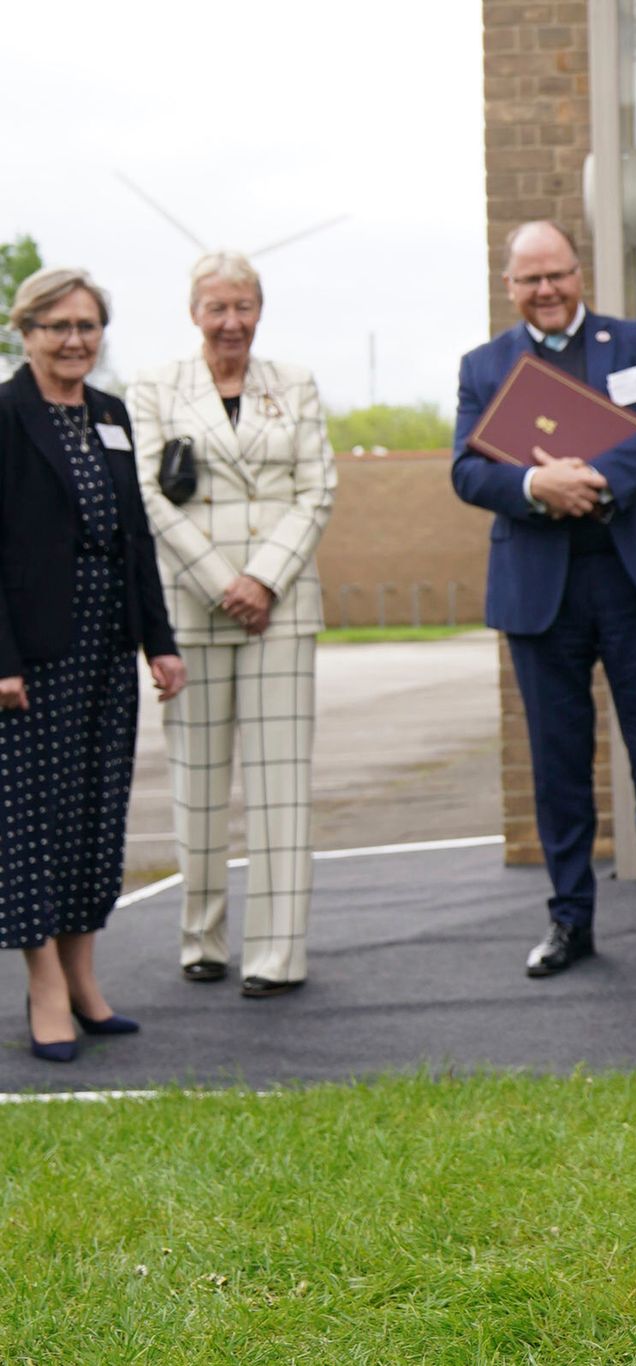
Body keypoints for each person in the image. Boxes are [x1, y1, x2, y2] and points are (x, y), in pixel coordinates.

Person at [451, 220, 636, 977]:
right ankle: (569, 922)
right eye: (530, 279)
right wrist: (536, 486)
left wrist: (590, 476)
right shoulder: (483, 366)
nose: (547, 290)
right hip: (541, 595)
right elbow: (467, 472)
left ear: (578, 273)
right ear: (510, 287)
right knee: (558, 763)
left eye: (557, 274)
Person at [132, 251, 337, 999]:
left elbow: (317, 490)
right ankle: (203, 938)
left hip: (279, 609)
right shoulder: (154, 388)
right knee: (198, 787)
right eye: (217, 308)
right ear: (194, 313)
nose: (231, 323)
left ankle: (278, 955)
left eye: (244, 307)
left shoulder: (297, 384)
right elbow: (149, 499)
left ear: (260, 311)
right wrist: (224, 584)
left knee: (282, 786)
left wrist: (263, 581)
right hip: (193, 605)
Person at [1, 267, 186, 1062]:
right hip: (32, 652)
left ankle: (84, 979)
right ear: (25, 332)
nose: (74, 340)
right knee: (33, 822)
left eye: (87, 326)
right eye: (57, 327)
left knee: (93, 817)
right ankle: (43, 987)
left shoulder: (109, 415)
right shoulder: (6, 414)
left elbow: (135, 534)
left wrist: (161, 640)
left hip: (108, 644)